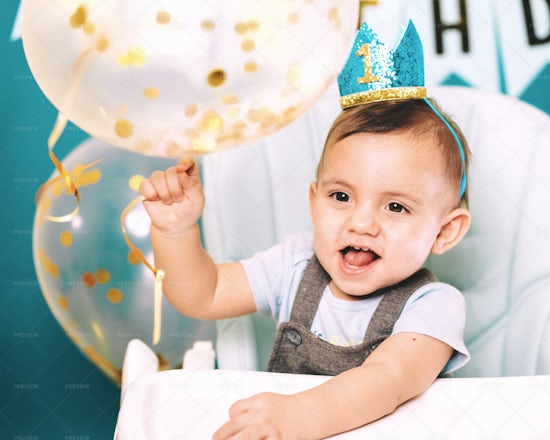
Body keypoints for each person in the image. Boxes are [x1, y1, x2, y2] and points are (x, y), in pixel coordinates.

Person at [139, 21, 472, 439]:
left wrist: (301, 417)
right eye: (341, 197)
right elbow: (202, 294)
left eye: (395, 206)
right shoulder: (293, 268)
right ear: (314, 202)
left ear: (445, 232)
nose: (361, 222)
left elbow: (389, 379)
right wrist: (177, 232)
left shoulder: (433, 306)